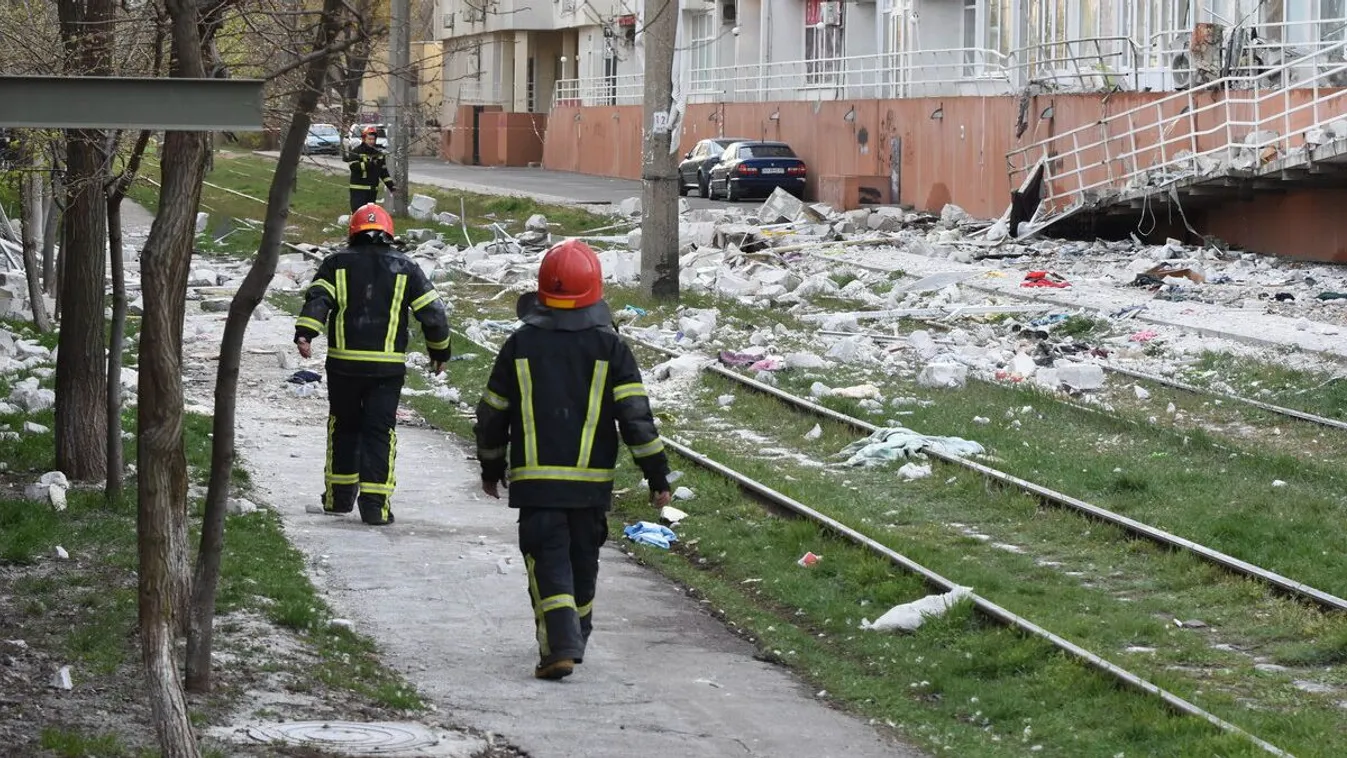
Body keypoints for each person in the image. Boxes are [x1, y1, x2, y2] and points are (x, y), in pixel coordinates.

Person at [473, 239, 672, 681]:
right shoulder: (611, 348)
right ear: (594, 291)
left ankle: (559, 645)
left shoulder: (519, 344)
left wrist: (491, 466)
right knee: (583, 563)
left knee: (548, 563)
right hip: (590, 489)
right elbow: (637, 419)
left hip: (537, 486)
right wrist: (657, 475)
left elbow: (492, 412)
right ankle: (574, 636)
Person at [294, 203, 451, 525]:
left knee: (344, 427)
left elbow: (318, 300)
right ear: (389, 234)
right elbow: (433, 314)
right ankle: (375, 508)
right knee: (379, 432)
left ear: (353, 233)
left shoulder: (335, 264)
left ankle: (338, 500)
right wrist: (440, 352)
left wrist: (305, 333)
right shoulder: (407, 267)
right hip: (386, 369)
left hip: (344, 366)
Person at [345, 126, 395, 212]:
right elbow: (354, 167)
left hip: (372, 191)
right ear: (364, 139)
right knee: (358, 214)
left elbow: (383, 172)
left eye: (373, 139)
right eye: (369, 139)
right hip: (358, 190)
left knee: (369, 216)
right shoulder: (355, 152)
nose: (372, 141)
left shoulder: (378, 154)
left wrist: (391, 187)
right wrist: (371, 164)